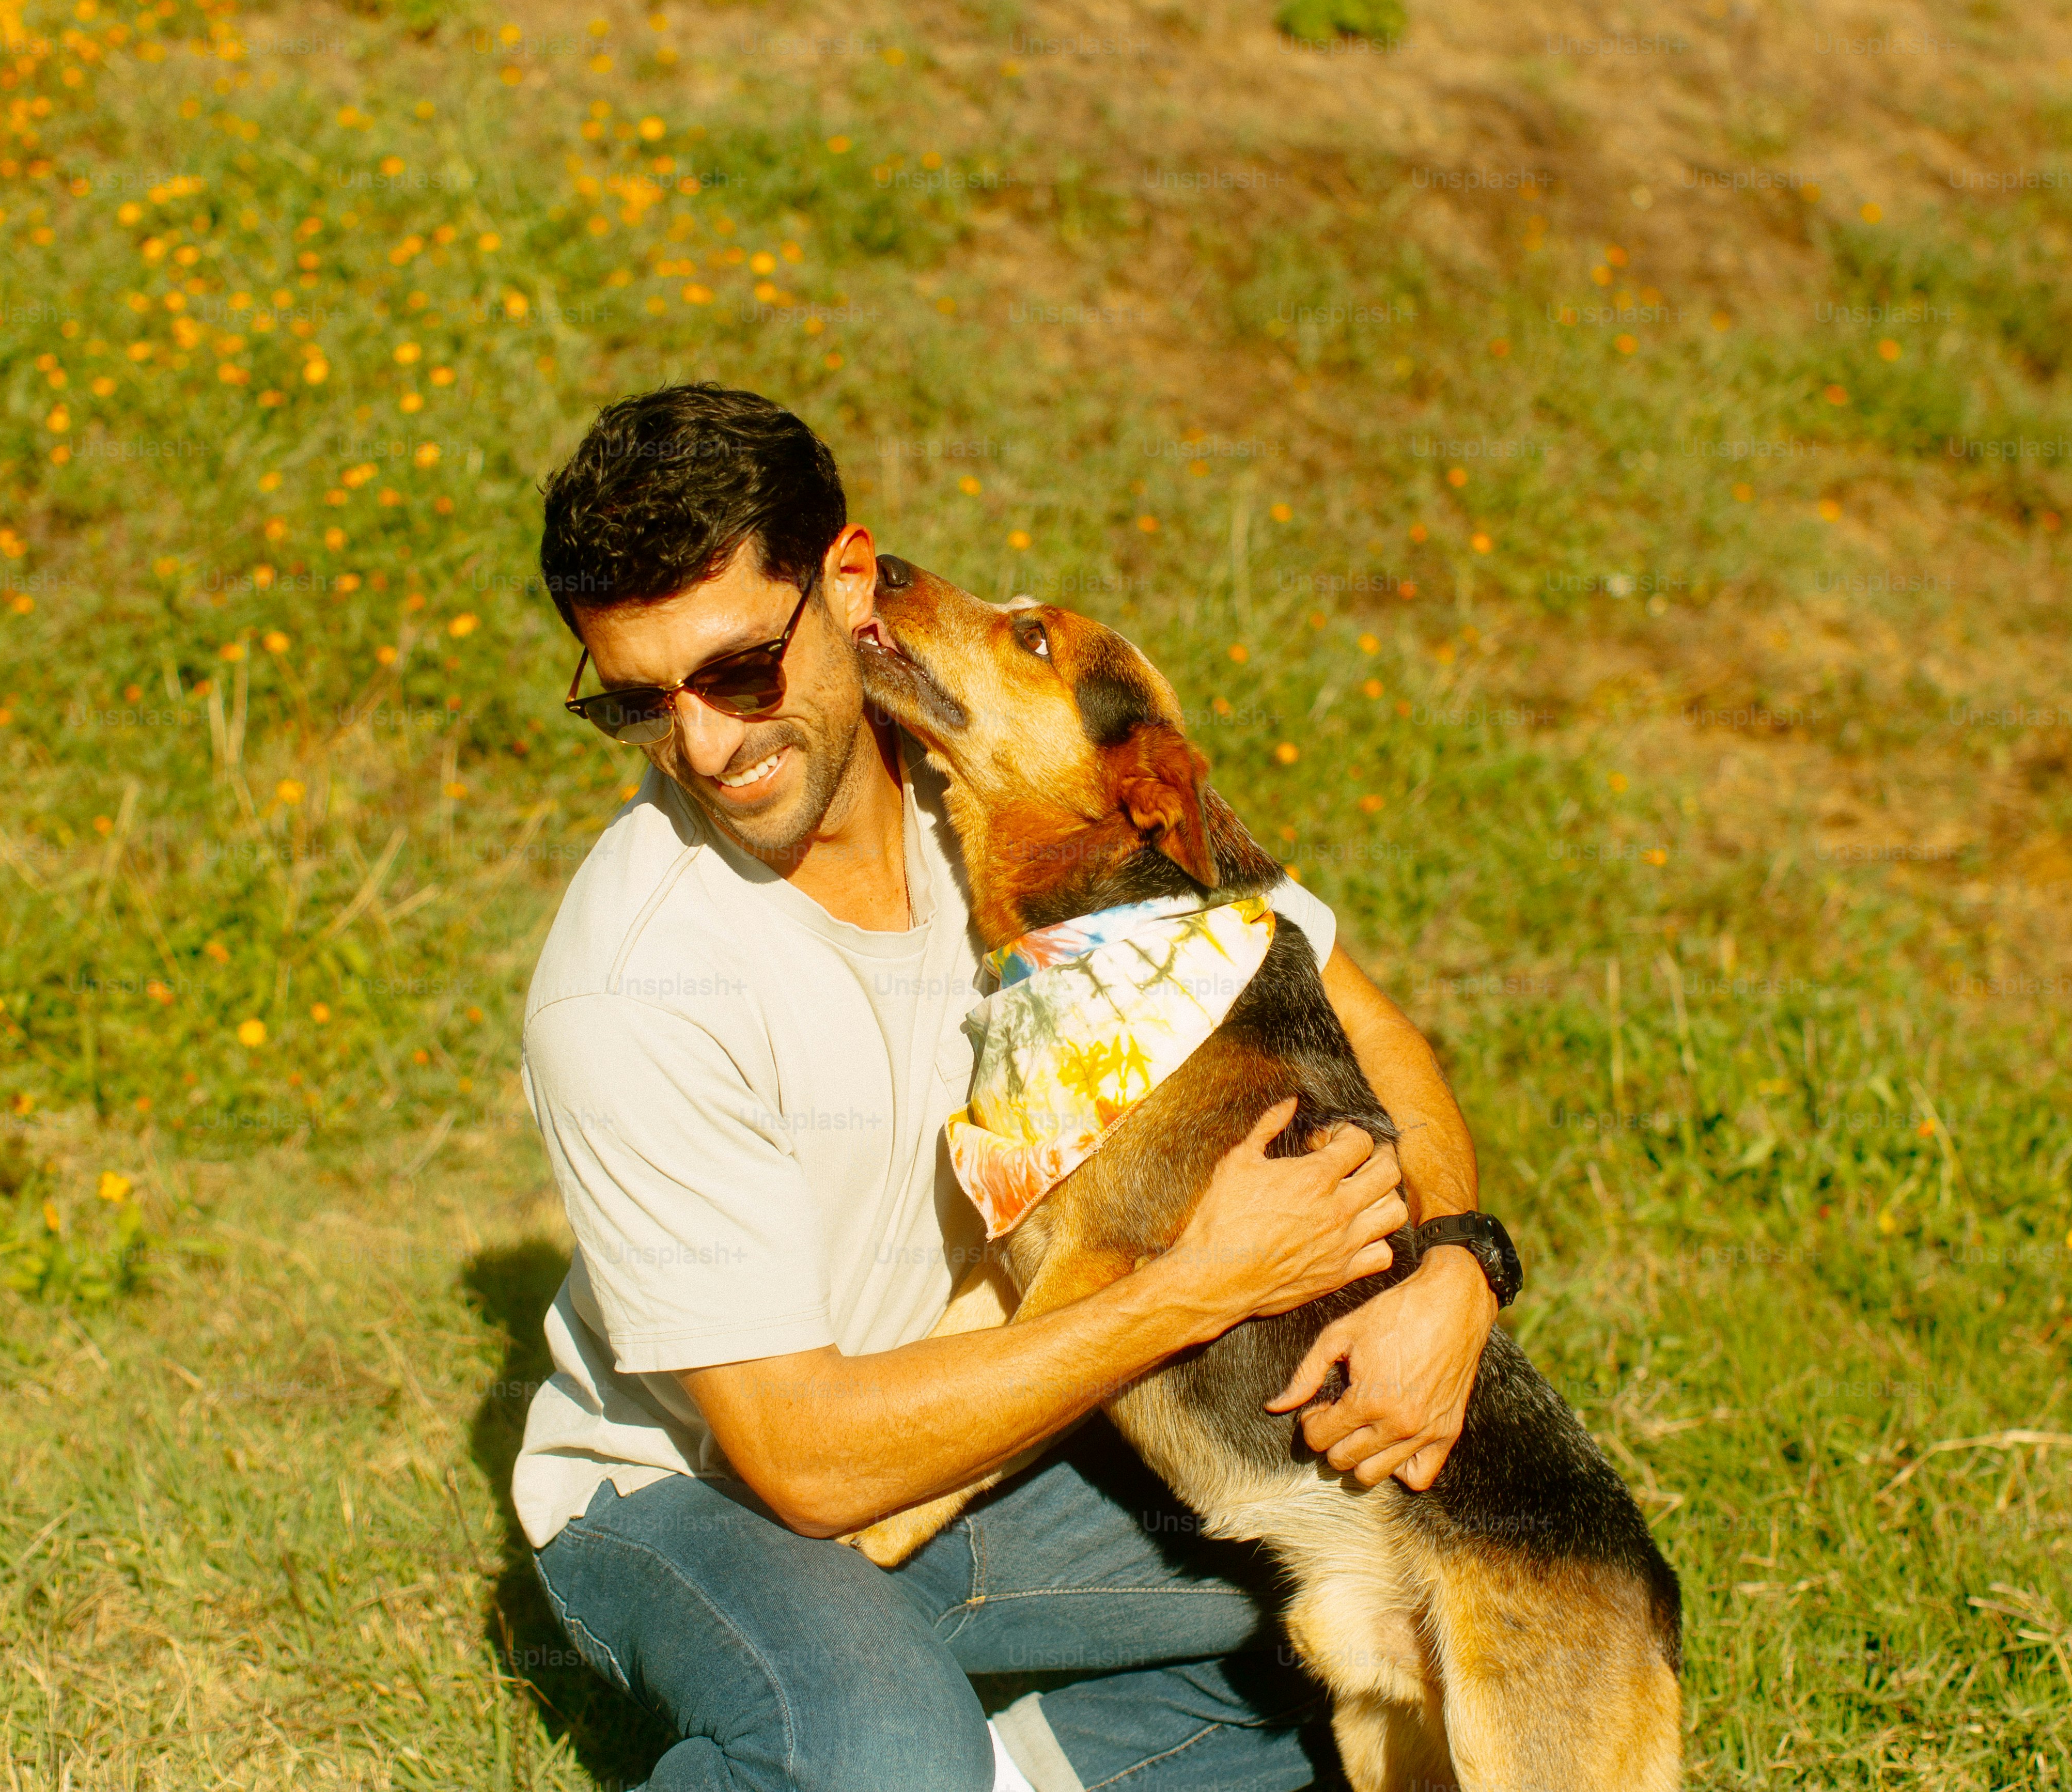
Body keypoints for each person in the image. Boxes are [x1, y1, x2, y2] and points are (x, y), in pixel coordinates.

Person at [515, 384, 1498, 1792]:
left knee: (1395, 1567)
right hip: (707, 1497)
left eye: (738, 674)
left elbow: (1355, 1018)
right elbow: (806, 1464)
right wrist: (1191, 1289)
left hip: (1015, 1423)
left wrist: (1453, 1264)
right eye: (635, 702)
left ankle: (1014, 1770)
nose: (709, 749)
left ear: (847, 587)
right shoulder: (635, 985)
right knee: (873, 1766)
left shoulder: (1007, 766)